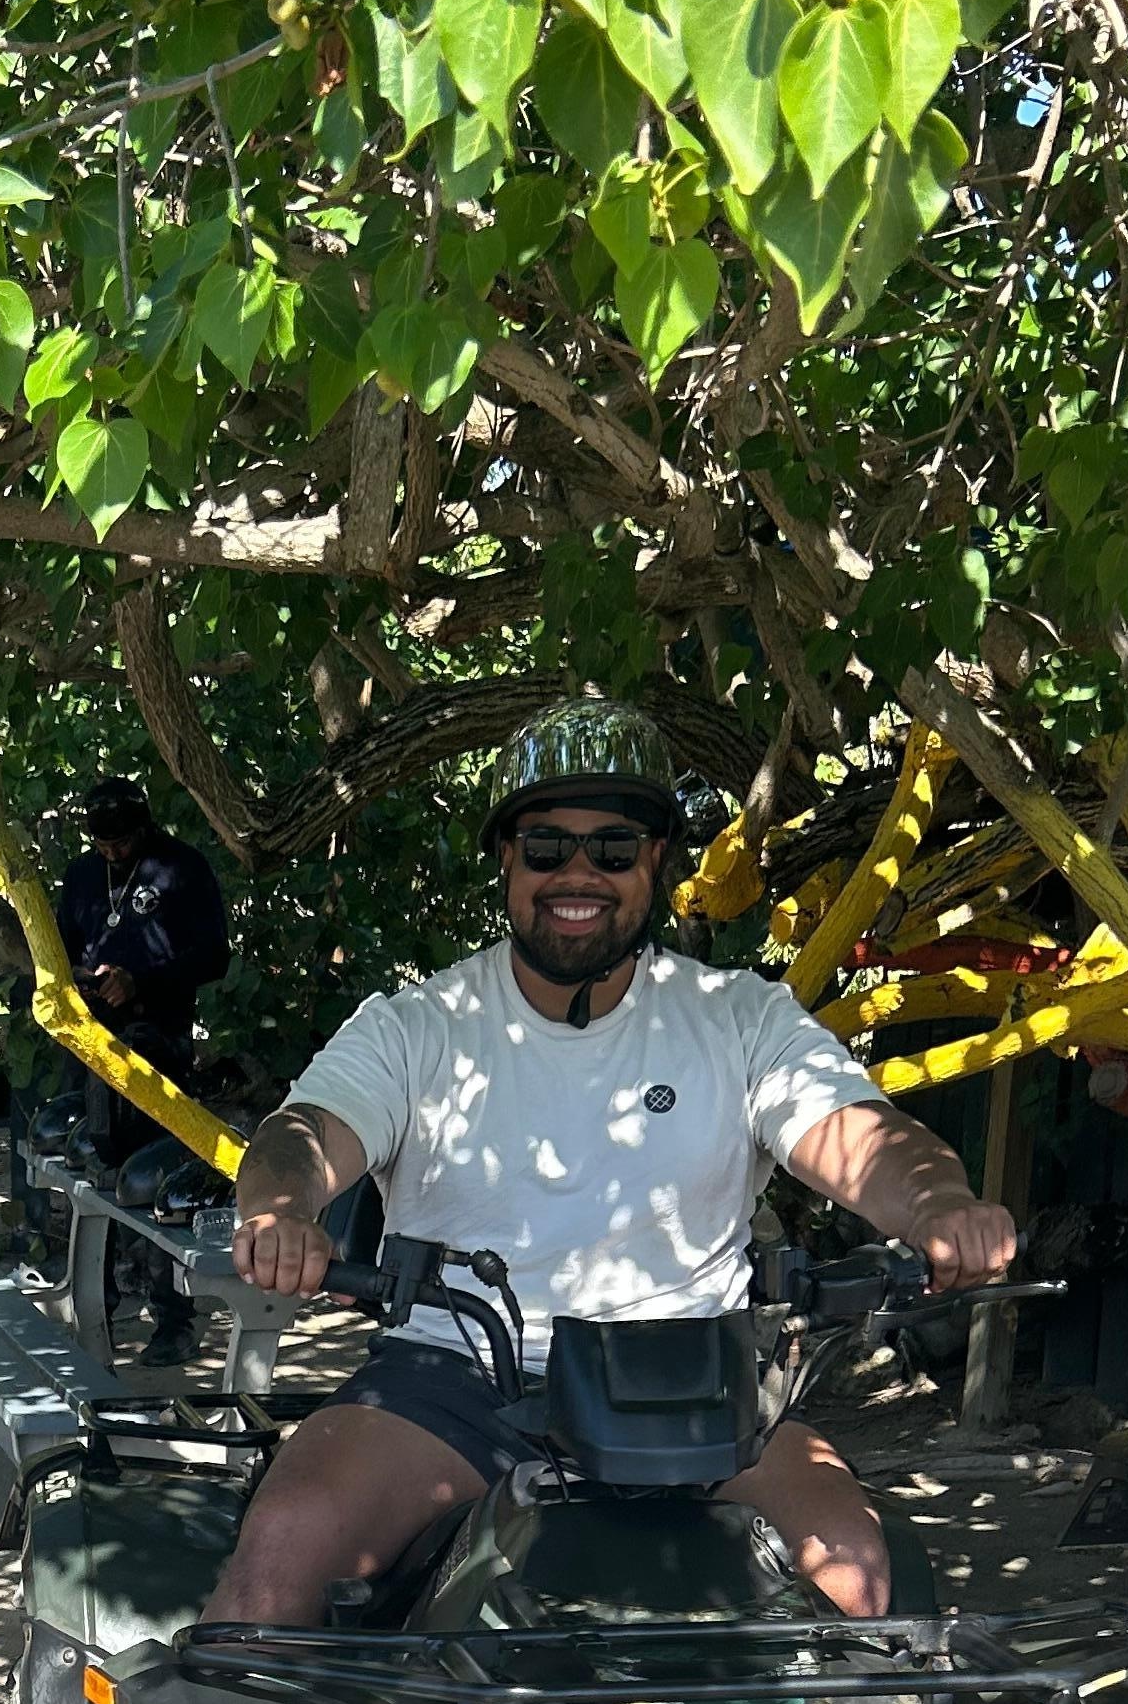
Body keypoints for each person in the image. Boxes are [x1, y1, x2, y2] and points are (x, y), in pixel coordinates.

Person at [206, 698, 1016, 1629]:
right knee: (279, 1561)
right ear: (506, 862)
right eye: (546, 847)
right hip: (452, 1385)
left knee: (860, 1581)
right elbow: (303, 1136)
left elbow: (864, 1138)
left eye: (614, 848)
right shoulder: (418, 1027)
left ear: (658, 863)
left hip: (696, 1392)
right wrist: (279, 1212)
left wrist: (940, 1204)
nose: (577, 874)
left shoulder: (740, 1021)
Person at [55, 775, 231, 1168]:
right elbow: (63, 952)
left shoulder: (182, 867)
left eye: (121, 844)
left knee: (148, 1157)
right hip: (89, 1036)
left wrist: (140, 981)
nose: (113, 855)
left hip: (158, 1039)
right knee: (82, 1155)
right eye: (103, 846)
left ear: (144, 828)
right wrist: (84, 978)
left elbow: (215, 956)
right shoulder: (82, 874)